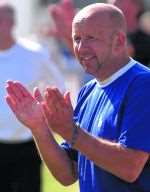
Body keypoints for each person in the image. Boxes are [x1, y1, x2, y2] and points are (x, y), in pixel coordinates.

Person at [5, 3, 150, 192]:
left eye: (91, 38)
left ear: (119, 40)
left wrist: (71, 132)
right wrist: (39, 128)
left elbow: (130, 167)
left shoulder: (143, 85)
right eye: (77, 39)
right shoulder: (88, 91)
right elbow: (67, 174)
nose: (81, 48)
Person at [0, 2, 65, 192]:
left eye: (1, 20)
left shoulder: (34, 54)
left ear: (12, 23)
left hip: (29, 143)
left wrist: (44, 115)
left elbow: (57, 88)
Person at [107, 0, 150, 66]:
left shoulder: (146, 41)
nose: (115, 4)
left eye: (120, 1)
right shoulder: (104, 38)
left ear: (137, 6)